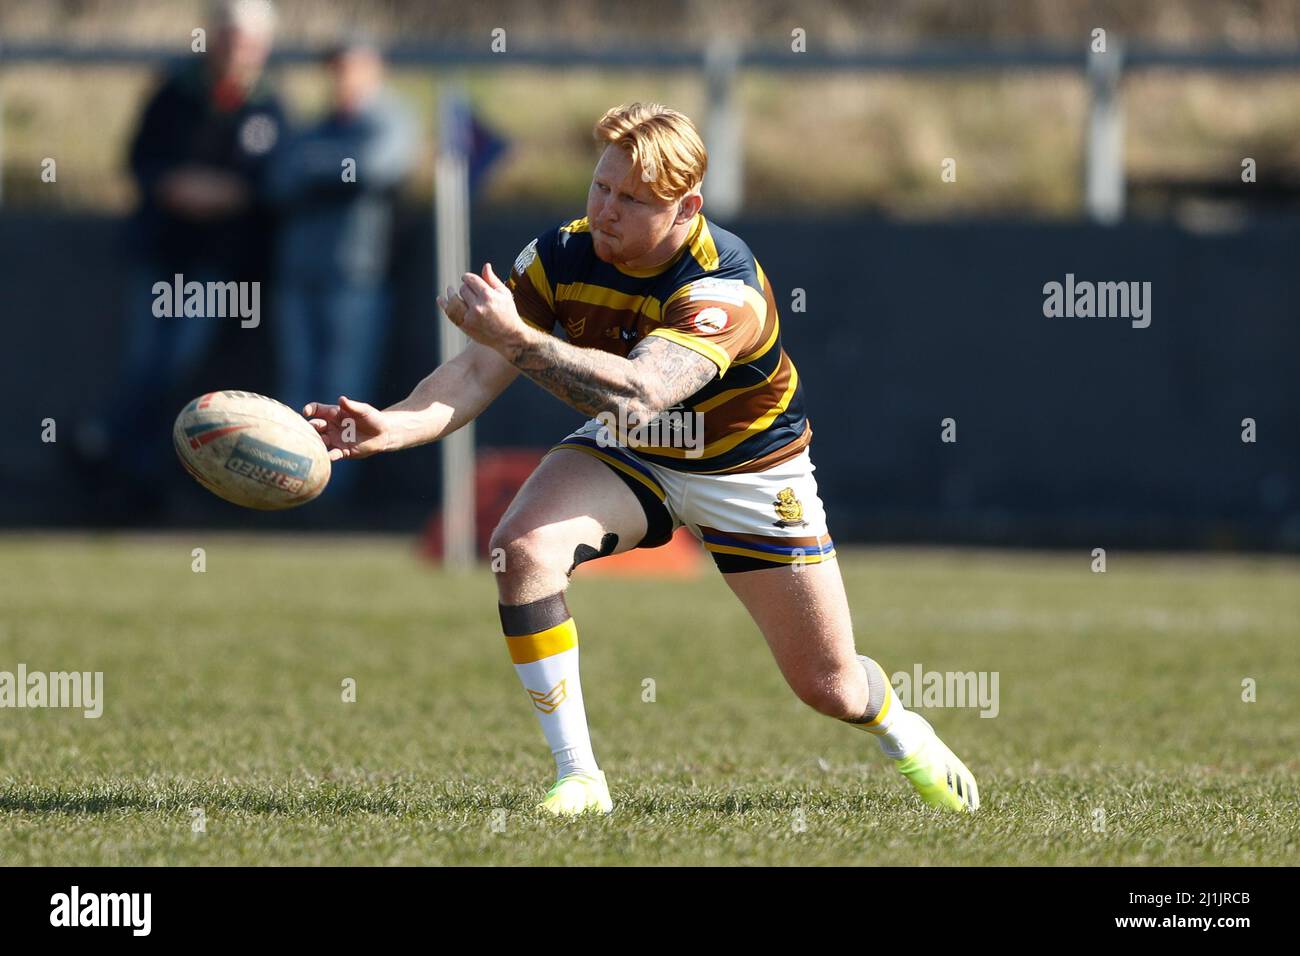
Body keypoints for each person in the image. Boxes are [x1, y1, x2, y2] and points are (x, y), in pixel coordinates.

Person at [304, 103, 980, 816]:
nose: (605, 211)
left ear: (687, 206)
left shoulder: (724, 287)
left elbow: (643, 390)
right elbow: (475, 376)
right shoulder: (561, 253)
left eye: (631, 199)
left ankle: (900, 726)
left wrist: (520, 340)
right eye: (600, 187)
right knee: (522, 549)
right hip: (635, 455)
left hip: (747, 472)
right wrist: (390, 426)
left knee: (831, 687)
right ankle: (580, 779)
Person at [77, 0, 285, 498]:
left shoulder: (268, 106)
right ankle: (119, 463)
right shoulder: (174, 92)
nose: (239, 51)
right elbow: (142, 161)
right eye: (231, 39)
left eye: (249, 42)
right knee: (147, 361)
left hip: (218, 265)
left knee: (181, 367)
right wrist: (178, 186)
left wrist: (227, 195)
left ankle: (150, 469)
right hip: (162, 255)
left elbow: (270, 183)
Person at [267, 39, 416, 498]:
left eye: (350, 67)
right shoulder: (319, 126)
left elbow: (376, 166)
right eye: (335, 69)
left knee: (344, 390)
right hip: (299, 275)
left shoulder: (388, 119)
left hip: (356, 278)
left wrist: (314, 169)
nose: (341, 78)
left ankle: (332, 494)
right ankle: (293, 485)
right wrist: (328, 170)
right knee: (297, 385)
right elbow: (275, 179)